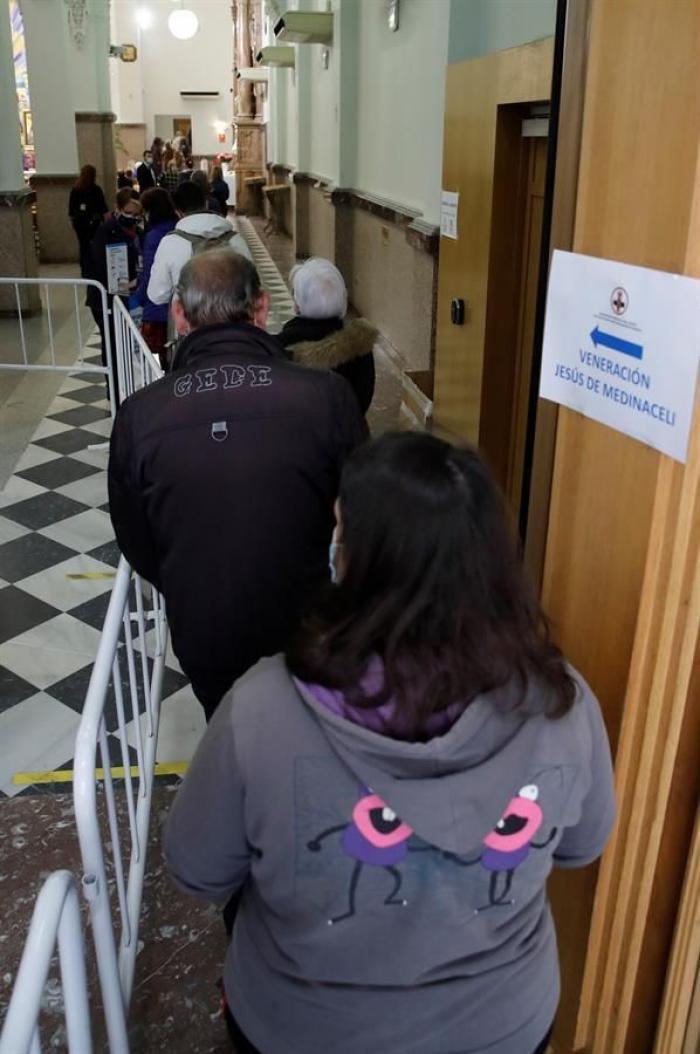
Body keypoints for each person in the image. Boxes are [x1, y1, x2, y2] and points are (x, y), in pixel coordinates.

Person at [163, 430, 616, 1054]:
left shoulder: (262, 710)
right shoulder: (562, 702)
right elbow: (583, 846)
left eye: (339, 529)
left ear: (357, 560)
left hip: (302, 1027)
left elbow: (197, 870)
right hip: (503, 1027)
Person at [109, 248, 365, 717]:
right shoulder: (328, 396)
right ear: (263, 308)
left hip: (204, 632)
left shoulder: (140, 415)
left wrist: (192, 579)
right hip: (308, 627)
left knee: (229, 732)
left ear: (181, 316)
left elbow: (137, 539)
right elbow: (362, 513)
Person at [280, 257, 377, 416]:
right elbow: (361, 402)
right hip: (350, 436)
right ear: (343, 298)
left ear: (297, 304)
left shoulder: (282, 347)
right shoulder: (360, 344)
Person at [147, 181, 251, 308]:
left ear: (177, 212)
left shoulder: (170, 243)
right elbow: (252, 286)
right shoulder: (236, 239)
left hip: (190, 322)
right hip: (233, 320)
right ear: (206, 203)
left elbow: (157, 295)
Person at [84, 187, 143, 397]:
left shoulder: (137, 231)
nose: (133, 217)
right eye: (129, 212)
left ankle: (127, 385)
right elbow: (99, 265)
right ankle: (116, 390)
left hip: (127, 296)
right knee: (112, 343)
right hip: (106, 299)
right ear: (118, 208)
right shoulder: (106, 231)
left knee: (125, 344)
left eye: (137, 214)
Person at [132, 187, 177, 369]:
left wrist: (138, 298)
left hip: (158, 308)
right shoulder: (178, 227)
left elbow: (150, 272)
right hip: (182, 305)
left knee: (161, 360)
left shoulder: (154, 235)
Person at [68, 164, 109, 276]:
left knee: (83, 245)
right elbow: (103, 207)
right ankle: (93, 266)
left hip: (80, 223)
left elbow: (71, 209)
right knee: (93, 245)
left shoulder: (76, 190)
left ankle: (84, 268)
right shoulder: (96, 190)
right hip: (94, 222)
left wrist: (73, 221)